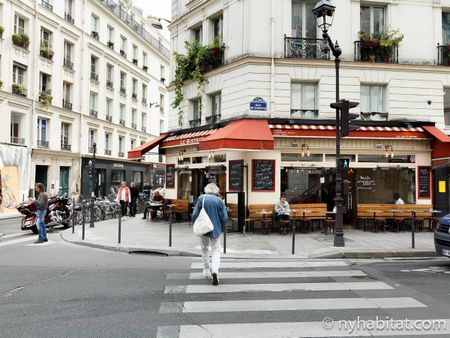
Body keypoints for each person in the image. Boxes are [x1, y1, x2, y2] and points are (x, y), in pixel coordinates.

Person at [192, 183, 228, 286]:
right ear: (216, 191)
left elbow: (195, 214)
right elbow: (224, 217)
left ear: (206, 190)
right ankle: (215, 271)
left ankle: (206, 270)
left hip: (203, 227)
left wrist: (195, 223)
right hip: (215, 228)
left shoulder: (201, 198)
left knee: (204, 248)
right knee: (216, 250)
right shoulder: (219, 201)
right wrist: (220, 225)